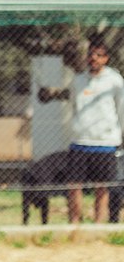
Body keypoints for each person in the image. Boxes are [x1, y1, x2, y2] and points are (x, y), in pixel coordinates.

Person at [46, 38, 124, 225]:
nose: (93, 58)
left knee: (102, 187)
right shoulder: (79, 80)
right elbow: (74, 106)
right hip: (80, 142)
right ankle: (74, 225)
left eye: (98, 55)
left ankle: (98, 226)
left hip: (105, 143)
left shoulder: (115, 81)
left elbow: (121, 109)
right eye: (91, 54)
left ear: (106, 59)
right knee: (74, 186)